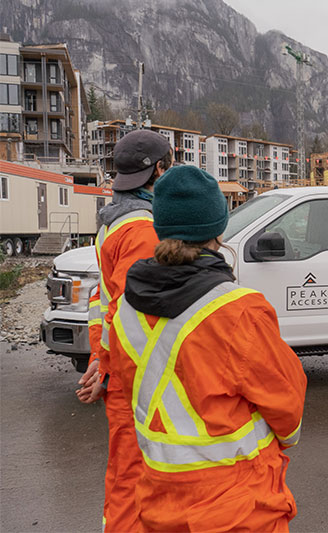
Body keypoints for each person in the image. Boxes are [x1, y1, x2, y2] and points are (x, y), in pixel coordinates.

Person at [109, 165, 307, 531]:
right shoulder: (238, 309)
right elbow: (286, 401)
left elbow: (127, 383)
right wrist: (286, 438)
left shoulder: (125, 306)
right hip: (239, 505)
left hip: (158, 500)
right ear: (218, 230)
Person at [76, 129, 172, 532]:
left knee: (122, 478)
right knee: (138, 480)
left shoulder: (112, 221)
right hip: (138, 379)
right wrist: (109, 368)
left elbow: (103, 299)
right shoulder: (142, 230)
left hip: (122, 372)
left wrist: (101, 360)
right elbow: (130, 312)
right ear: (160, 171)